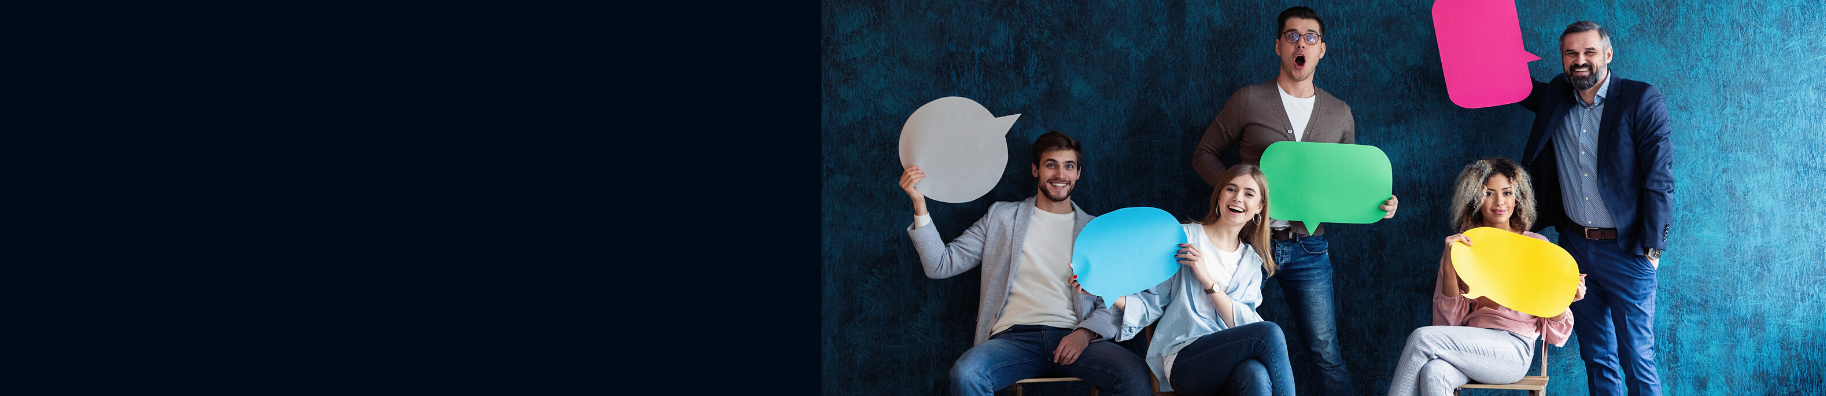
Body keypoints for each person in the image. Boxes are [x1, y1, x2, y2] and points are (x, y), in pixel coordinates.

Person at [1190, 6, 1398, 394]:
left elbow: (1348, 183)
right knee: (1229, 339)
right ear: (1278, 46)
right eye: (1291, 36)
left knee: (1325, 352)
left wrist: (1379, 203)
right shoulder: (1248, 100)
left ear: (1322, 50)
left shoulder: (1339, 113)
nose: (1300, 43)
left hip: (1309, 249)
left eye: (1310, 37)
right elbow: (1204, 154)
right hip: (1247, 244)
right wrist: (1238, 197)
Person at [899, 131, 1150, 396]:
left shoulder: (1097, 230)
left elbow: (1114, 301)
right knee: (967, 373)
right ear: (1035, 170)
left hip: (1077, 338)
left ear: (1078, 173)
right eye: (1051, 164)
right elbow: (940, 264)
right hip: (1012, 340)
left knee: (1134, 375)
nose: (1060, 174)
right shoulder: (1001, 217)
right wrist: (919, 204)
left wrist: (1085, 333)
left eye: (1069, 166)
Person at [1513, 21, 1674, 396]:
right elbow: (1514, 86)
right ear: (1563, 59)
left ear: (1607, 54)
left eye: (1588, 52)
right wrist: (1482, 47)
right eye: (1571, 54)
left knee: (1637, 355)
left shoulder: (1641, 99)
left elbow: (1660, 180)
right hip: (1574, 250)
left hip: (1629, 250)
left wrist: (1652, 251)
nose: (1580, 61)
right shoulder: (1556, 96)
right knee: (1597, 355)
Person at [1385, 158, 1587, 396]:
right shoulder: (1462, 247)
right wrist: (1449, 264)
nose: (1499, 201)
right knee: (1434, 371)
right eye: (1489, 193)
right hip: (1469, 344)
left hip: (1513, 349)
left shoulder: (1536, 246)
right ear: (1475, 199)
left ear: (1518, 198)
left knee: (1421, 339)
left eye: (1507, 192)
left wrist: (1564, 300)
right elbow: (1447, 324)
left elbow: (1555, 334)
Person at [1093, 164, 1295, 396]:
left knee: (1255, 372)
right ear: (1219, 196)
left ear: (1259, 208)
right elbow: (1150, 303)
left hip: (1231, 365)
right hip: (1185, 361)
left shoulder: (1251, 262)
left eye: (1249, 193)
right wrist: (1101, 288)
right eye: (1231, 189)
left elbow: (1245, 326)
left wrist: (1207, 280)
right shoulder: (1184, 238)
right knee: (1270, 333)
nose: (1238, 198)